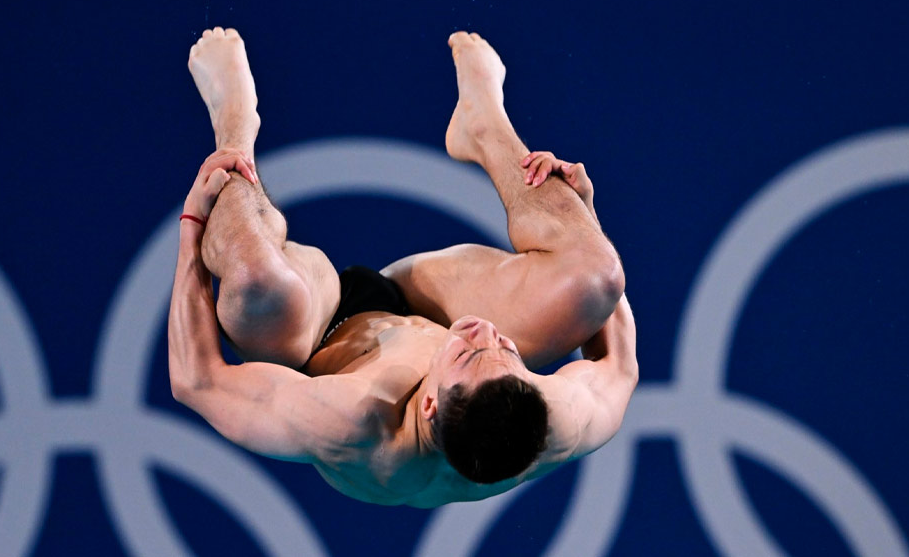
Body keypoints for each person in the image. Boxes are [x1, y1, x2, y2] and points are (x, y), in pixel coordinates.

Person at [168, 28, 638, 507]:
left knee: (254, 278)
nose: (486, 332)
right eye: (511, 354)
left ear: (430, 405)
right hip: (430, 302)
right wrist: (584, 215)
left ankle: (234, 124)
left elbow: (196, 380)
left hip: (315, 333)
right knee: (598, 277)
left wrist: (192, 230)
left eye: (470, 354)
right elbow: (619, 369)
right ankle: (484, 125)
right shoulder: (553, 423)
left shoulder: (350, 424)